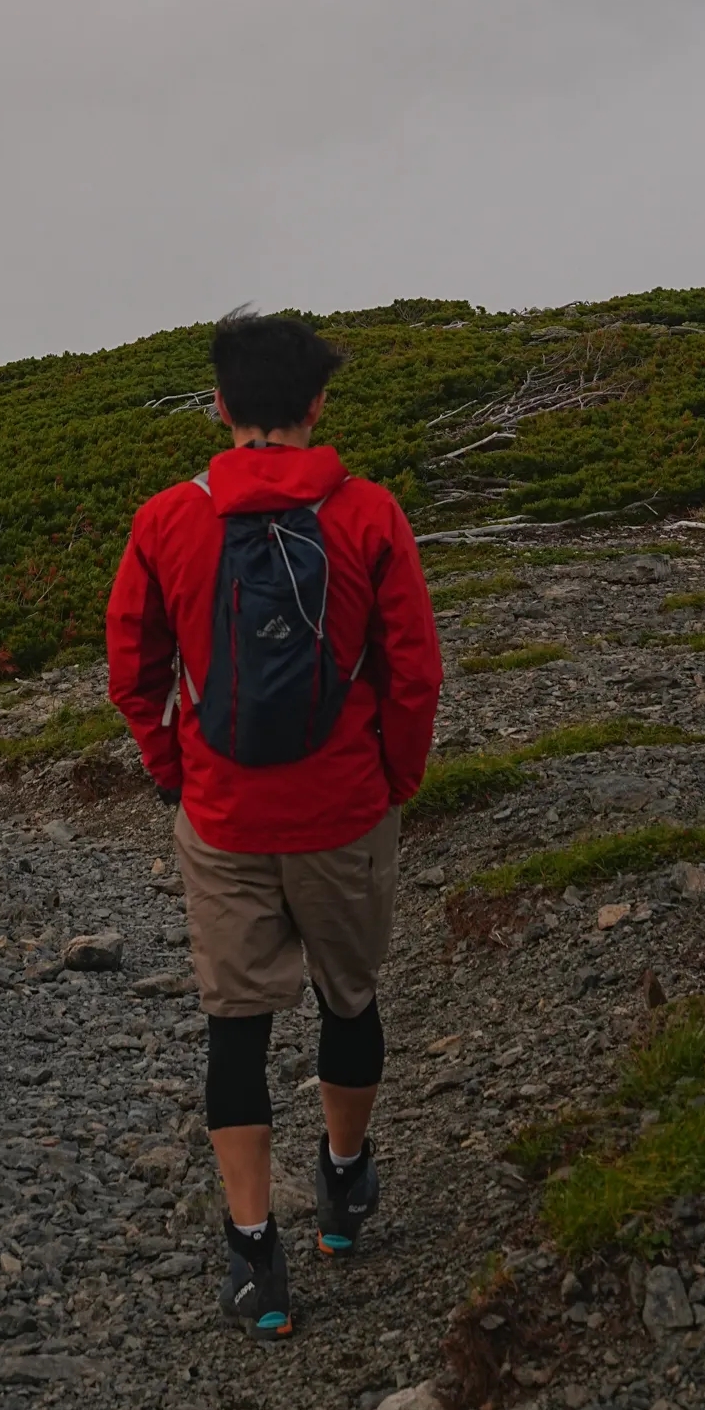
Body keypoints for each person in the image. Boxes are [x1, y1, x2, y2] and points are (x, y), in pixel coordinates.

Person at [106, 307, 442, 1339]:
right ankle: (344, 1183)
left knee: (236, 1027)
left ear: (220, 405)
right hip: (344, 808)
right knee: (350, 1000)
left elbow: (134, 669)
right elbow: (414, 671)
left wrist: (176, 770)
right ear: (316, 405)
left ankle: (255, 1255)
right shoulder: (371, 515)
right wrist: (392, 780)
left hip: (225, 815)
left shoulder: (167, 519)